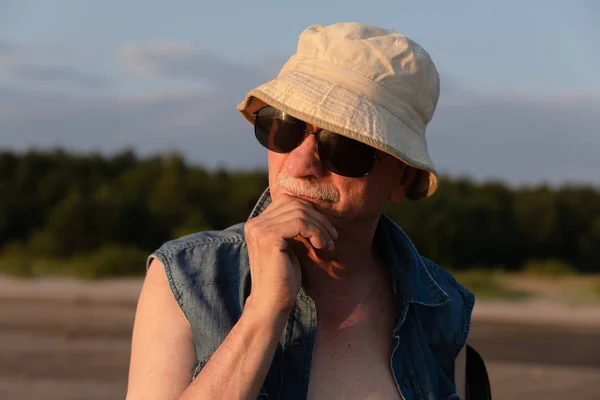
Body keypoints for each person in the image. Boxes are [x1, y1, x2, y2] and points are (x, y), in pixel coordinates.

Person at [126, 22, 474, 400]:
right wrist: (263, 312)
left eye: (345, 146)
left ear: (403, 180)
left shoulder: (441, 305)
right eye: (284, 127)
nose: (299, 163)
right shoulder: (188, 279)